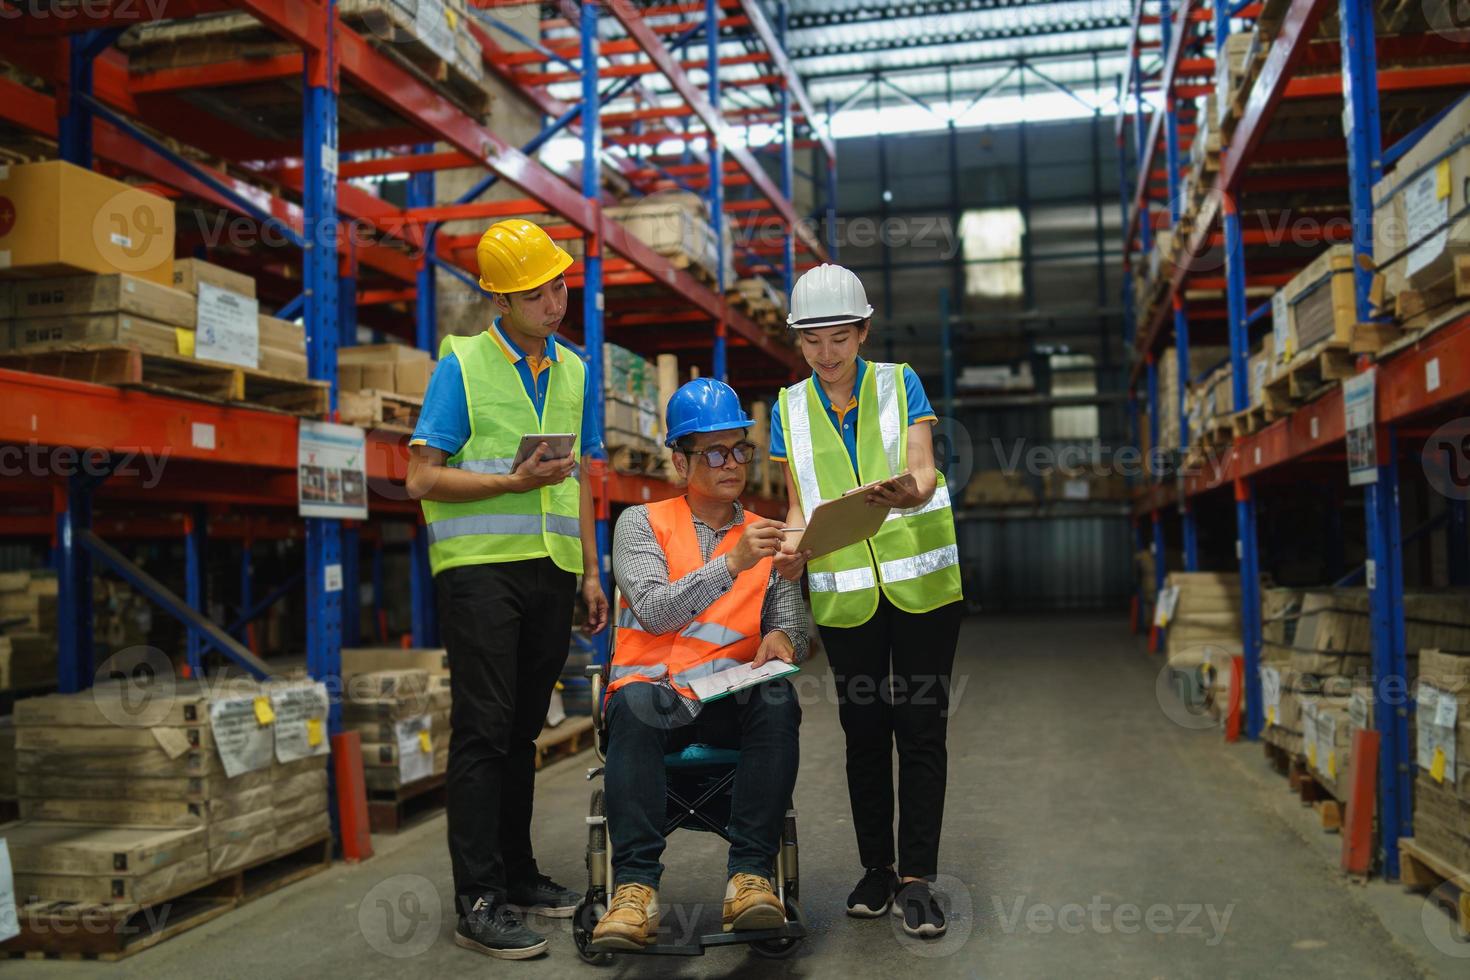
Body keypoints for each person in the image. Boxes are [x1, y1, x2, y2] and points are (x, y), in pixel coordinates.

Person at [406, 218, 610, 960]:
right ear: (502, 300)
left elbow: (583, 477)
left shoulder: (578, 372)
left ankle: (519, 876)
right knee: (485, 730)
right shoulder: (462, 365)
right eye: (536, 293)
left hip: (551, 571)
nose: (554, 302)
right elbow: (420, 475)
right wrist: (510, 481)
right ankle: (479, 899)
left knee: (526, 729)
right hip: (481, 570)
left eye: (558, 285)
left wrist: (592, 569)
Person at [770, 264, 963, 939]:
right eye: (812, 341)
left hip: (922, 589)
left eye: (839, 338)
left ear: (863, 332)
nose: (826, 354)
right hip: (845, 593)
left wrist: (914, 490)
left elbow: (923, 464)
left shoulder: (898, 382)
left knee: (919, 727)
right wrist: (791, 552)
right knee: (862, 732)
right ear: (797, 341)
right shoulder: (787, 408)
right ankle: (876, 868)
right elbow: (797, 501)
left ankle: (917, 878)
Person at [589, 379, 807, 950]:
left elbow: (791, 621)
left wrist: (783, 636)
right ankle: (634, 892)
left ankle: (751, 880)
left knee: (780, 699)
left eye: (740, 449)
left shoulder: (770, 534)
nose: (731, 463)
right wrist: (732, 563)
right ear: (681, 461)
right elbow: (658, 613)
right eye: (714, 452)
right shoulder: (641, 523)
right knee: (632, 704)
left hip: (727, 701)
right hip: (654, 698)